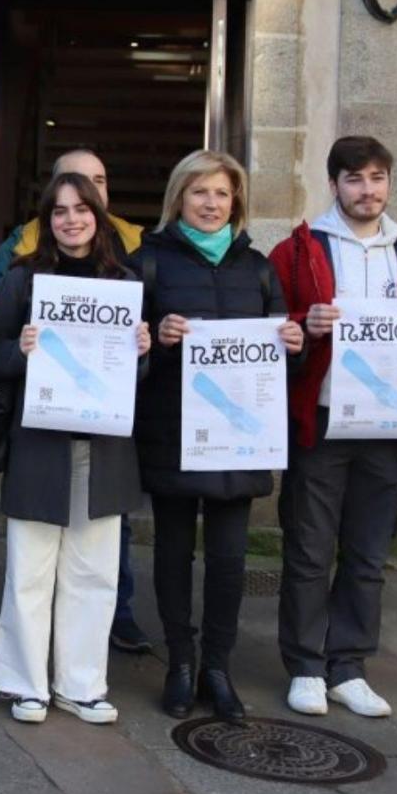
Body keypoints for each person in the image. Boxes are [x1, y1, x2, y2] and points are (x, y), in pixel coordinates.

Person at [269, 135, 397, 718]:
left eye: (376, 178)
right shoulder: (298, 249)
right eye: (354, 179)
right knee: (309, 549)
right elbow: (269, 328)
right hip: (321, 421)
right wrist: (304, 321)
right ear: (334, 185)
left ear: (389, 183)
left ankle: (348, 665)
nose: (367, 190)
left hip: (386, 423)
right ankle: (304, 666)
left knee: (368, 554)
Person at [132, 150, 304, 723]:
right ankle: (179, 664)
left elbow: (284, 360)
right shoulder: (148, 263)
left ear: (237, 203)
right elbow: (123, 352)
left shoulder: (257, 267)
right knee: (174, 554)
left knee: (229, 561)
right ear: (178, 198)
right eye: (199, 192)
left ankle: (217, 667)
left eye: (222, 194)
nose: (211, 203)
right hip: (174, 431)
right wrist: (155, 336)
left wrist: (294, 346)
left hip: (240, 438)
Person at [0, 172, 151, 725]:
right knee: (30, 567)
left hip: (103, 448)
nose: (71, 220)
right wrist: (22, 350)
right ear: (46, 220)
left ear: (98, 217)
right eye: (59, 211)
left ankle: (81, 685)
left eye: (81, 209)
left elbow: (137, 374)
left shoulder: (126, 280)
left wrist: (143, 350)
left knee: (95, 570)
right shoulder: (22, 281)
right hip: (39, 443)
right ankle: (25, 683)